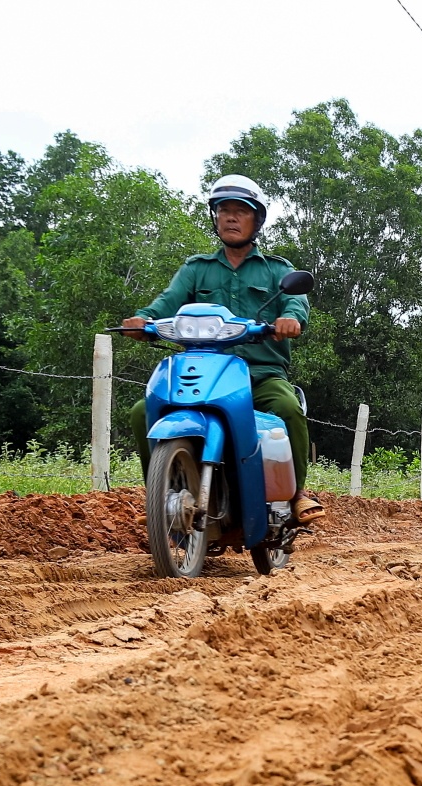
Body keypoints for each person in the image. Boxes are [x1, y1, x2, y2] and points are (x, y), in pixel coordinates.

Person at [121, 174, 324, 524]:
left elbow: (295, 303)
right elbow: (166, 303)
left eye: (240, 211)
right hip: (201, 372)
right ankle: (160, 497)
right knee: (143, 412)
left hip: (258, 375)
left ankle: (296, 496)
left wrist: (290, 319)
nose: (231, 217)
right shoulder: (196, 269)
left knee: (288, 409)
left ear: (256, 220)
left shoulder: (277, 269)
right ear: (215, 218)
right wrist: (143, 321)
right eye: (223, 210)